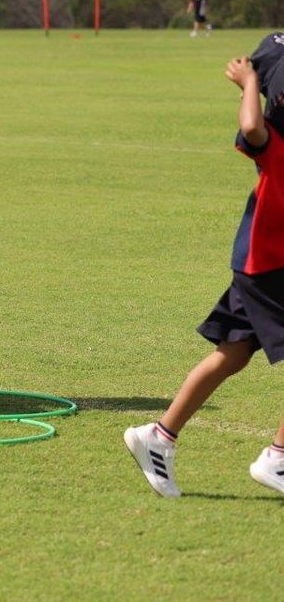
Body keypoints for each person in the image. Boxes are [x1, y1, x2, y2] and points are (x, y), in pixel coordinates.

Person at [125, 32, 284, 498]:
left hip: (260, 263)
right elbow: (252, 127)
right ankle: (278, 459)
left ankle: (158, 437)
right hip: (268, 265)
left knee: (233, 352)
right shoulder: (274, 139)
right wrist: (249, 83)